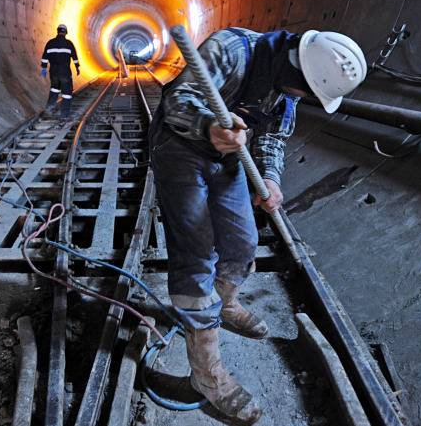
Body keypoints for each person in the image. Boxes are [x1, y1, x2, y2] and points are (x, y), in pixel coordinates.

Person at [148, 27, 367, 424]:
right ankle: (207, 376)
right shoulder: (231, 50)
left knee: (243, 243)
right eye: (307, 93)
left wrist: (270, 179)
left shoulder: (286, 87)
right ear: (297, 70)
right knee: (197, 255)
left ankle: (225, 304)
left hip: (229, 160)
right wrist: (209, 128)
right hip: (181, 149)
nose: (303, 100)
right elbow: (176, 100)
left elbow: (272, 139)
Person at [40, 24, 80, 117]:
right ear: (66, 32)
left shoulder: (50, 43)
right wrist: (77, 66)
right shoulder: (69, 44)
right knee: (66, 91)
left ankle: (49, 109)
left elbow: (44, 57)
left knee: (54, 89)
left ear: (57, 31)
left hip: (53, 71)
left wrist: (44, 68)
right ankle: (65, 112)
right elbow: (74, 57)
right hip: (64, 71)